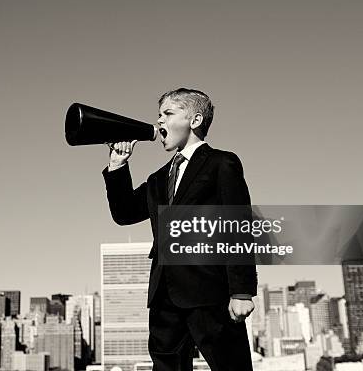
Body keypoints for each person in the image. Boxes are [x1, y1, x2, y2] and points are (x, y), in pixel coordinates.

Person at [102, 88, 257, 371]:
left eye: (168, 114)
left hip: (210, 291)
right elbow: (124, 214)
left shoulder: (222, 163)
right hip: (164, 296)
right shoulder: (158, 178)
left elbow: (239, 225)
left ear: (195, 120)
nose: (159, 122)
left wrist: (242, 291)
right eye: (158, 115)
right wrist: (117, 165)